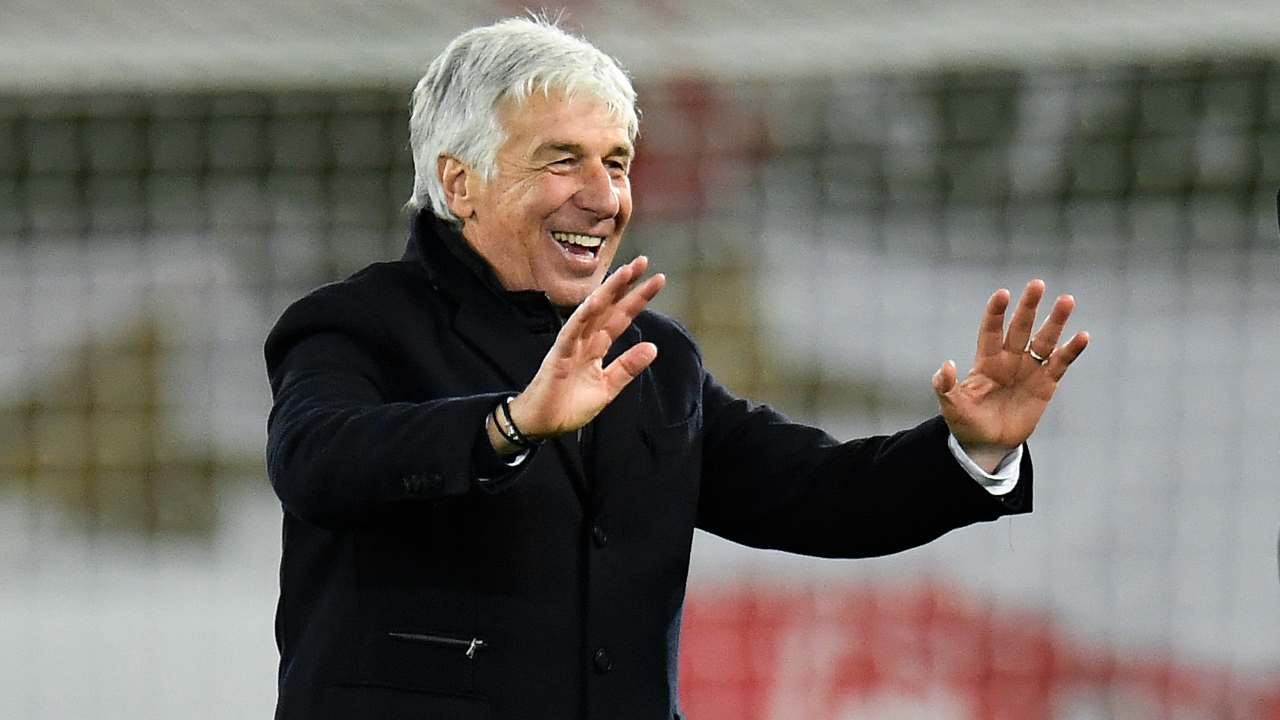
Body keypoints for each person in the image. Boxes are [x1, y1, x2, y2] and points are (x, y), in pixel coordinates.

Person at [263, 16, 1088, 720]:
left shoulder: (654, 359)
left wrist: (969, 451)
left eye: (616, 162)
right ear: (460, 182)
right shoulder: (356, 324)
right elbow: (316, 459)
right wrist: (510, 425)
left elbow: (819, 495)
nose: (604, 196)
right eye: (563, 161)